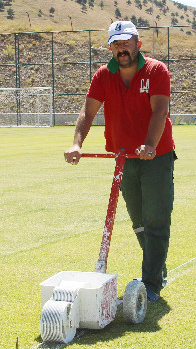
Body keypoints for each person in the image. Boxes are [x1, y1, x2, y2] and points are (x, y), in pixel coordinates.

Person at [64, 21, 176, 303]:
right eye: (116, 44)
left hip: (156, 157)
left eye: (126, 42)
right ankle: (157, 268)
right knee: (138, 221)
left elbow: (160, 110)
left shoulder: (155, 70)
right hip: (123, 158)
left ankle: (150, 283)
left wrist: (150, 145)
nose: (121, 48)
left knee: (156, 220)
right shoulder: (103, 76)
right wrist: (77, 143)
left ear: (138, 44)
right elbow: (88, 112)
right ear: (111, 48)